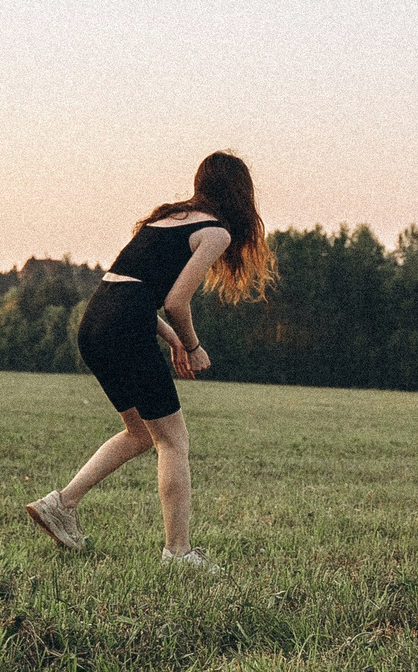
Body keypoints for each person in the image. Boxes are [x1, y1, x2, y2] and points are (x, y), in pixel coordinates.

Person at [25, 151, 275, 568]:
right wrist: (192, 346)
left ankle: (61, 504)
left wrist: (172, 338)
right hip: (125, 329)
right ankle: (178, 553)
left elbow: (127, 290)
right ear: (240, 195)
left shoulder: (164, 220)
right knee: (173, 441)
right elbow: (176, 299)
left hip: (95, 326)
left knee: (140, 434)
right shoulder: (214, 232)